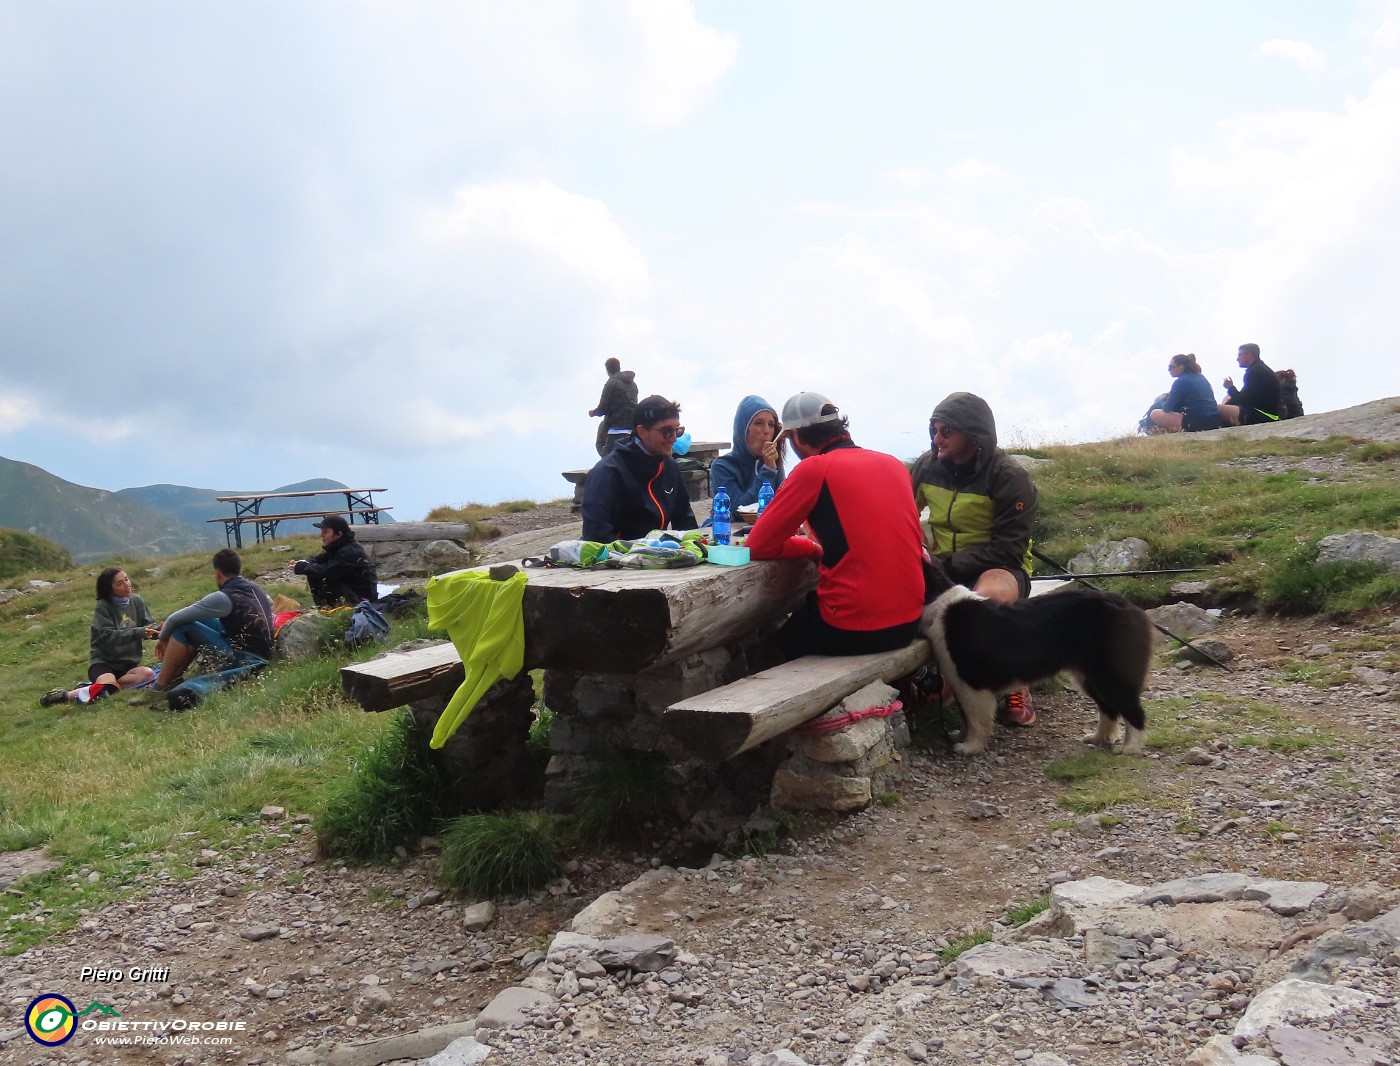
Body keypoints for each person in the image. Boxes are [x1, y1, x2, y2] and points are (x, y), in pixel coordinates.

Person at [746, 392, 924, 657]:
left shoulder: (815, 469)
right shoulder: (894, 465)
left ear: (794, 436)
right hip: (910, 621)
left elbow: (757, 545)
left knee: (768, 651)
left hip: (852, 625)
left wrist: (810, 549)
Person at [910, 392, 1039, 725]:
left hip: (1000, 569)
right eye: (934, 430)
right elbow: (902, 511)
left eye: (946, 431)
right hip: (943, 568)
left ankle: (1017, 682)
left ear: (974, 434)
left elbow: (1009, 548)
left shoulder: (1009, 477)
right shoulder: (927, 465)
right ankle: (948, 685)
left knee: (987, 600)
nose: (937, 438)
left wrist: (948, 565)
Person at [134, 548, 275, 703]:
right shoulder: (256, 588)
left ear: (218, 574)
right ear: (239, 569)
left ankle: (159, 688)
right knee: (201, 620)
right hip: (264, 652)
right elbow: (269, 603)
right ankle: (174, 677)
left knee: (183, 626)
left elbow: (174, 619)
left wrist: (162, 638)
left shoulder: (223, 597)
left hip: (243, 659)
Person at [581, 394, 698, 542]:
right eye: (667, 431)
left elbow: (685, 522)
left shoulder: (670, 466)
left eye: (677, 430)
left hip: (657, 556)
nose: (674, 438)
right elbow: (596, 537)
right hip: (619, 560)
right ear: (642, 431)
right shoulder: (608, 472)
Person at [39, 567, 161, 706]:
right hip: (104, 663)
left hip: (128, 665)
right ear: (110, 589)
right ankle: (65, 696)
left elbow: (148, 629)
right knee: (106, 687)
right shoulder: (104, 606)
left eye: (126, 579)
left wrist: (160, 631)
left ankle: (92, 688)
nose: (127, 584)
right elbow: (107, 635)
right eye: (119, 583)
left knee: (148, 674)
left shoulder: (137, 601)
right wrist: (139, 632)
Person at [709, 395, 786, 506]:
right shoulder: (722, 466)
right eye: (759, 423)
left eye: (771, 425)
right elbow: (741, 509)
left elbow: (782, 504)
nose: (766, 430)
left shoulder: (773, 461)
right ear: (743, 428)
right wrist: (768, 470)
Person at [293, 514, 377, 606]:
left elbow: (328, 571)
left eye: (325, 532)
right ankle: (327, 610)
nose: (321, 535)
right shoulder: (338, 547)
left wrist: (304, 567)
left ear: (338, 534)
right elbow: (318, 559)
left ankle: (329, 610)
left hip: (363, 602)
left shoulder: (350, 551)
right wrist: (304, 563)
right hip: (352, 594)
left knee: (321, 577)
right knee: (315, 573)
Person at [1148, 353, 1222, 433]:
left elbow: (1167, 408)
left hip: (1198, 423)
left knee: (1155, 413)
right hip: (1215, 420)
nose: (1169, 370)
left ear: (1181, 366)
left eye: (1171, 367)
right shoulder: (1200, 376)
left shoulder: (1180, 381)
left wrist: (1161, 402)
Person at [1219, 343, 1282, 426]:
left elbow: (1243, 401)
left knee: (1216, 409)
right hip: (1267, 414)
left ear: (1249, 355)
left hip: (1262, 416)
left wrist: (1230, 388)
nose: (1237, 359)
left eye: (1239, 355)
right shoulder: (1260, 369)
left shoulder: (1256, 372)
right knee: (1226, 401)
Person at [589, 357, 639, 457]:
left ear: (607, 370)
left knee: (601, 445)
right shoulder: (633, 384)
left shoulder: (611, 383)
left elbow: (603, 408)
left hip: (615, 428)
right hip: (632, 426)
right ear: (619, 367)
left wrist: (594, 412)